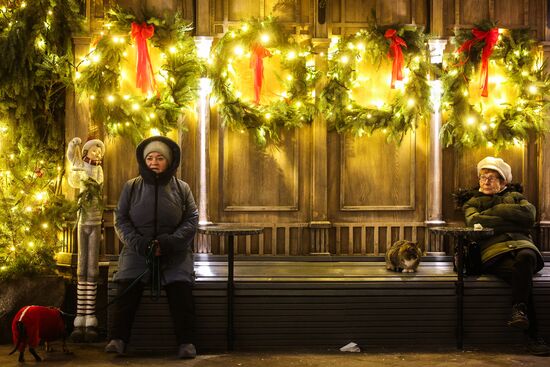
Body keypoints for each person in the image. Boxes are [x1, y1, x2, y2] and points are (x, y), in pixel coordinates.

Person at [105, 136, 198, 358]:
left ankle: (186, 342)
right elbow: (121, 219)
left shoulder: (182, 188)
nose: (154, 162)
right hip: (138, 250)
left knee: (181, 290)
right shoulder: (131, 186)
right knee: (127, 288)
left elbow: (191, 219)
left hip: (174, 251)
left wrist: (169, 242)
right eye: (150, 158)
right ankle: (118, 339)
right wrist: (141, 243)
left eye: (159, 158)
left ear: (169, 161)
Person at [462, 156, 550, 356]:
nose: (485, 181)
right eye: (483, 177)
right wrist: (513, 222)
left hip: (523, 247)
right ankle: (532, 334)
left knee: (526, 257)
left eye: (491, 178)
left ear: (503, 182)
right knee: (523, 279)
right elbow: (474, 223)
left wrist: (497, 210)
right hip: (494, 252)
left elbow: (529, 216)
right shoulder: (472, 202)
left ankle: (521, 314)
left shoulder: (517, 197)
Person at [66, 137, 105, 342]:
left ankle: (90, 317)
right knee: (82, 268)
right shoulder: (82, 167)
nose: (97, 155)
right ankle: (79, 316)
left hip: (96, 220)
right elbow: (73, 173)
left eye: (100, 152)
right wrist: (73, 148)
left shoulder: (98, 171)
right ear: (86, 152)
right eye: (94, 151)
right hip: (83, 221)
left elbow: (97, 187)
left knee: (93, 268)